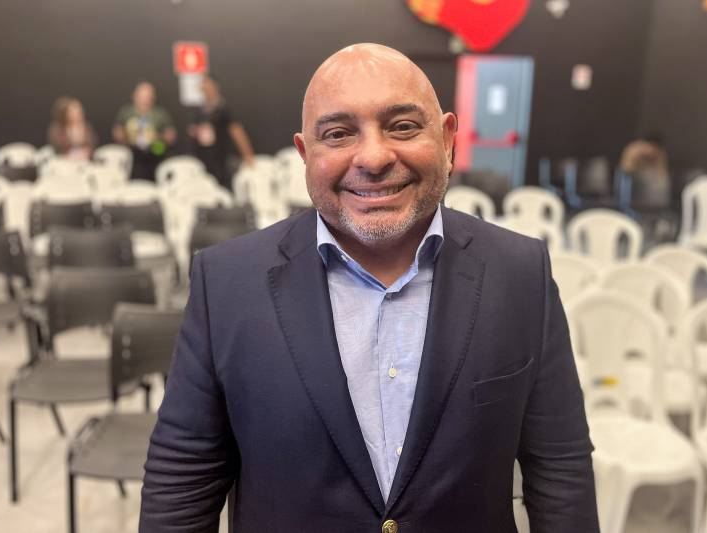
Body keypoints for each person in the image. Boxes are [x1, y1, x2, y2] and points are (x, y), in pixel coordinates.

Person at [140, 43, 598, 532]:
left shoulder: (520, 273)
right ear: (305, 154)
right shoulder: (227, 282)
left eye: (402, 126)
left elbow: (559, 469)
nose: (374, 157)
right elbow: (182, 481)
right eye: (338, 134)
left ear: (447, 140)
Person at [187, 76, 255, 189]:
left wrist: (248, 155)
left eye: (208, 87)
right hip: (204, 159)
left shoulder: (223, 109)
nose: (205, 91)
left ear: (215, 88)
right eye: (203, 89)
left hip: (221, 160)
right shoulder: (200, 110)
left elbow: (237, 131)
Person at [112, 81, 176, 181]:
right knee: (126, 155)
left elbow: (171, 136)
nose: (145, 100)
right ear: (134, 96)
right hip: (132, 149)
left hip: (155, 148)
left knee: (160, 150)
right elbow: (117, 131)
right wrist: (125, 136)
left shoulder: (160, 114)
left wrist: (157, 136)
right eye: (142, 97)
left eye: (148, 97)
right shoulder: (126, 112)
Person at [619, 133, 671, 209]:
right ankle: (625, 207)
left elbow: (662, 172)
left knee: (661, 182)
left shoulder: (660, 153)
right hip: (629, 177)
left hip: (647, 183)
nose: (653, 151)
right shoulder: (634, 149)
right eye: (652, 147)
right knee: (626, 180)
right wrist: (641, 161)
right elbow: (626, 169)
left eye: (655, 149)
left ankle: (658, 207)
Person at [47, 96, 97, 161]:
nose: (77, 113)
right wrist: (70, 153)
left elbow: (92, 143)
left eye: (79, 110)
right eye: (73, 111)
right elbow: (57, 146)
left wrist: (86, 152)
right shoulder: (57, 128)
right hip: (63, 159)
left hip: (83, 159)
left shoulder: (85, 126)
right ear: (66, 113)